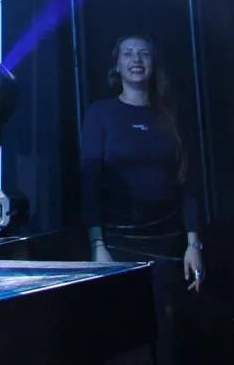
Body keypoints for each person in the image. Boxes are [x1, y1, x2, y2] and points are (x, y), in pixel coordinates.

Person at [81, 35, 203, 362]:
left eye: (143, 53)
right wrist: (97, 245)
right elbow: (90, 184)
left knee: (169, 337)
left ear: (153, 63)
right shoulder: (100, 114)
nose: (136, 59)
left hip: (168, 242)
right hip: (120, 241)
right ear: (117, 65)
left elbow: (187, 183)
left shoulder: (170, 116)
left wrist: (194, 244)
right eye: (128, 53)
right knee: (125, 337)